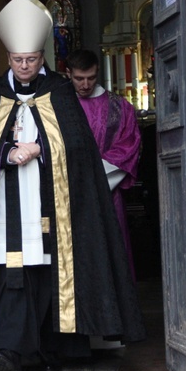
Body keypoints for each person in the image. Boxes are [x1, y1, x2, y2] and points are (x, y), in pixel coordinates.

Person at [0, 0, 145, 371]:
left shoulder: (60, 92)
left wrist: (40, 147)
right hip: (6, 207)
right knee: (13, 274)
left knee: (44, 274)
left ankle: (22, 349)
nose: (25, 67)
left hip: (50, 204)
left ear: (41, 57)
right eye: (18, 60)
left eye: (31, 60)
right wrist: (5, 151)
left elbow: (78, 147)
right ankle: (21, 350)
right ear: (9, 59)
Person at [66, 49, 141, 280]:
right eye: (79, 78)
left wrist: (91, 179)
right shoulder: (59, 107)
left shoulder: (119, 107)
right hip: (68, 194)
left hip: (107, 193)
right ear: (68, 74)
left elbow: (128, 147)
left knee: (110, 254)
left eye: (91, 78)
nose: (86, 84)